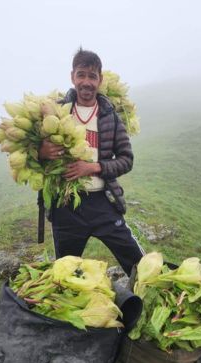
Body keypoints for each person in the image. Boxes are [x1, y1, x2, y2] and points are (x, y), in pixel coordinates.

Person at [38, 48, 144, 275]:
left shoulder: (110, 117)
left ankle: (152, 298)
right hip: (65, 208)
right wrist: (41, 151)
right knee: (66, 273)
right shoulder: (55, 112)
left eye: (92, 76)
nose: (86, 82)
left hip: (103, 202)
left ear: (100, 80)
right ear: (72, 77)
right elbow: (28, 155)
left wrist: (94, 167)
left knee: (137, 263)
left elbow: (127, 160)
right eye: (81, 74)